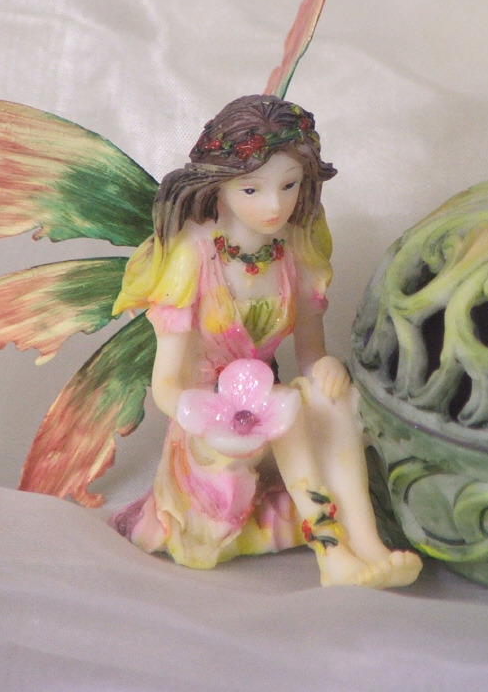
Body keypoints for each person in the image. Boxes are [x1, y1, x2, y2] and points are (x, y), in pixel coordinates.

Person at [108, 94, 421, 589]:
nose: (275, 205)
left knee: (331, 400)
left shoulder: (296, 249)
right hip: (210, 428)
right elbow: (166, 385)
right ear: (220, 185)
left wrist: (324, 368)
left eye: (289, 185)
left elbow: (310, 353)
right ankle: (332, 552)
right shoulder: (192, 256)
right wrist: (208, 419)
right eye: (252, 189)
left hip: (267, 409)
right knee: (288, 409)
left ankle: (368, 543)